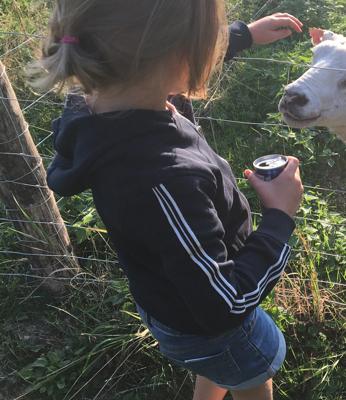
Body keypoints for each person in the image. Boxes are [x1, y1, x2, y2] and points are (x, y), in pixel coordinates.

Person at [31, 1, 304, 399]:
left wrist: (243, 35)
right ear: (178, 57)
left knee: (219, 369)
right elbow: (223, 306)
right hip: (210, 328)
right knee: (249, 378)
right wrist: (279, 216)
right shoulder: (164, 179)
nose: (214, 49)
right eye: (211, 41)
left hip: (170, 296)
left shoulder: (99, 102)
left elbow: (144, 49)